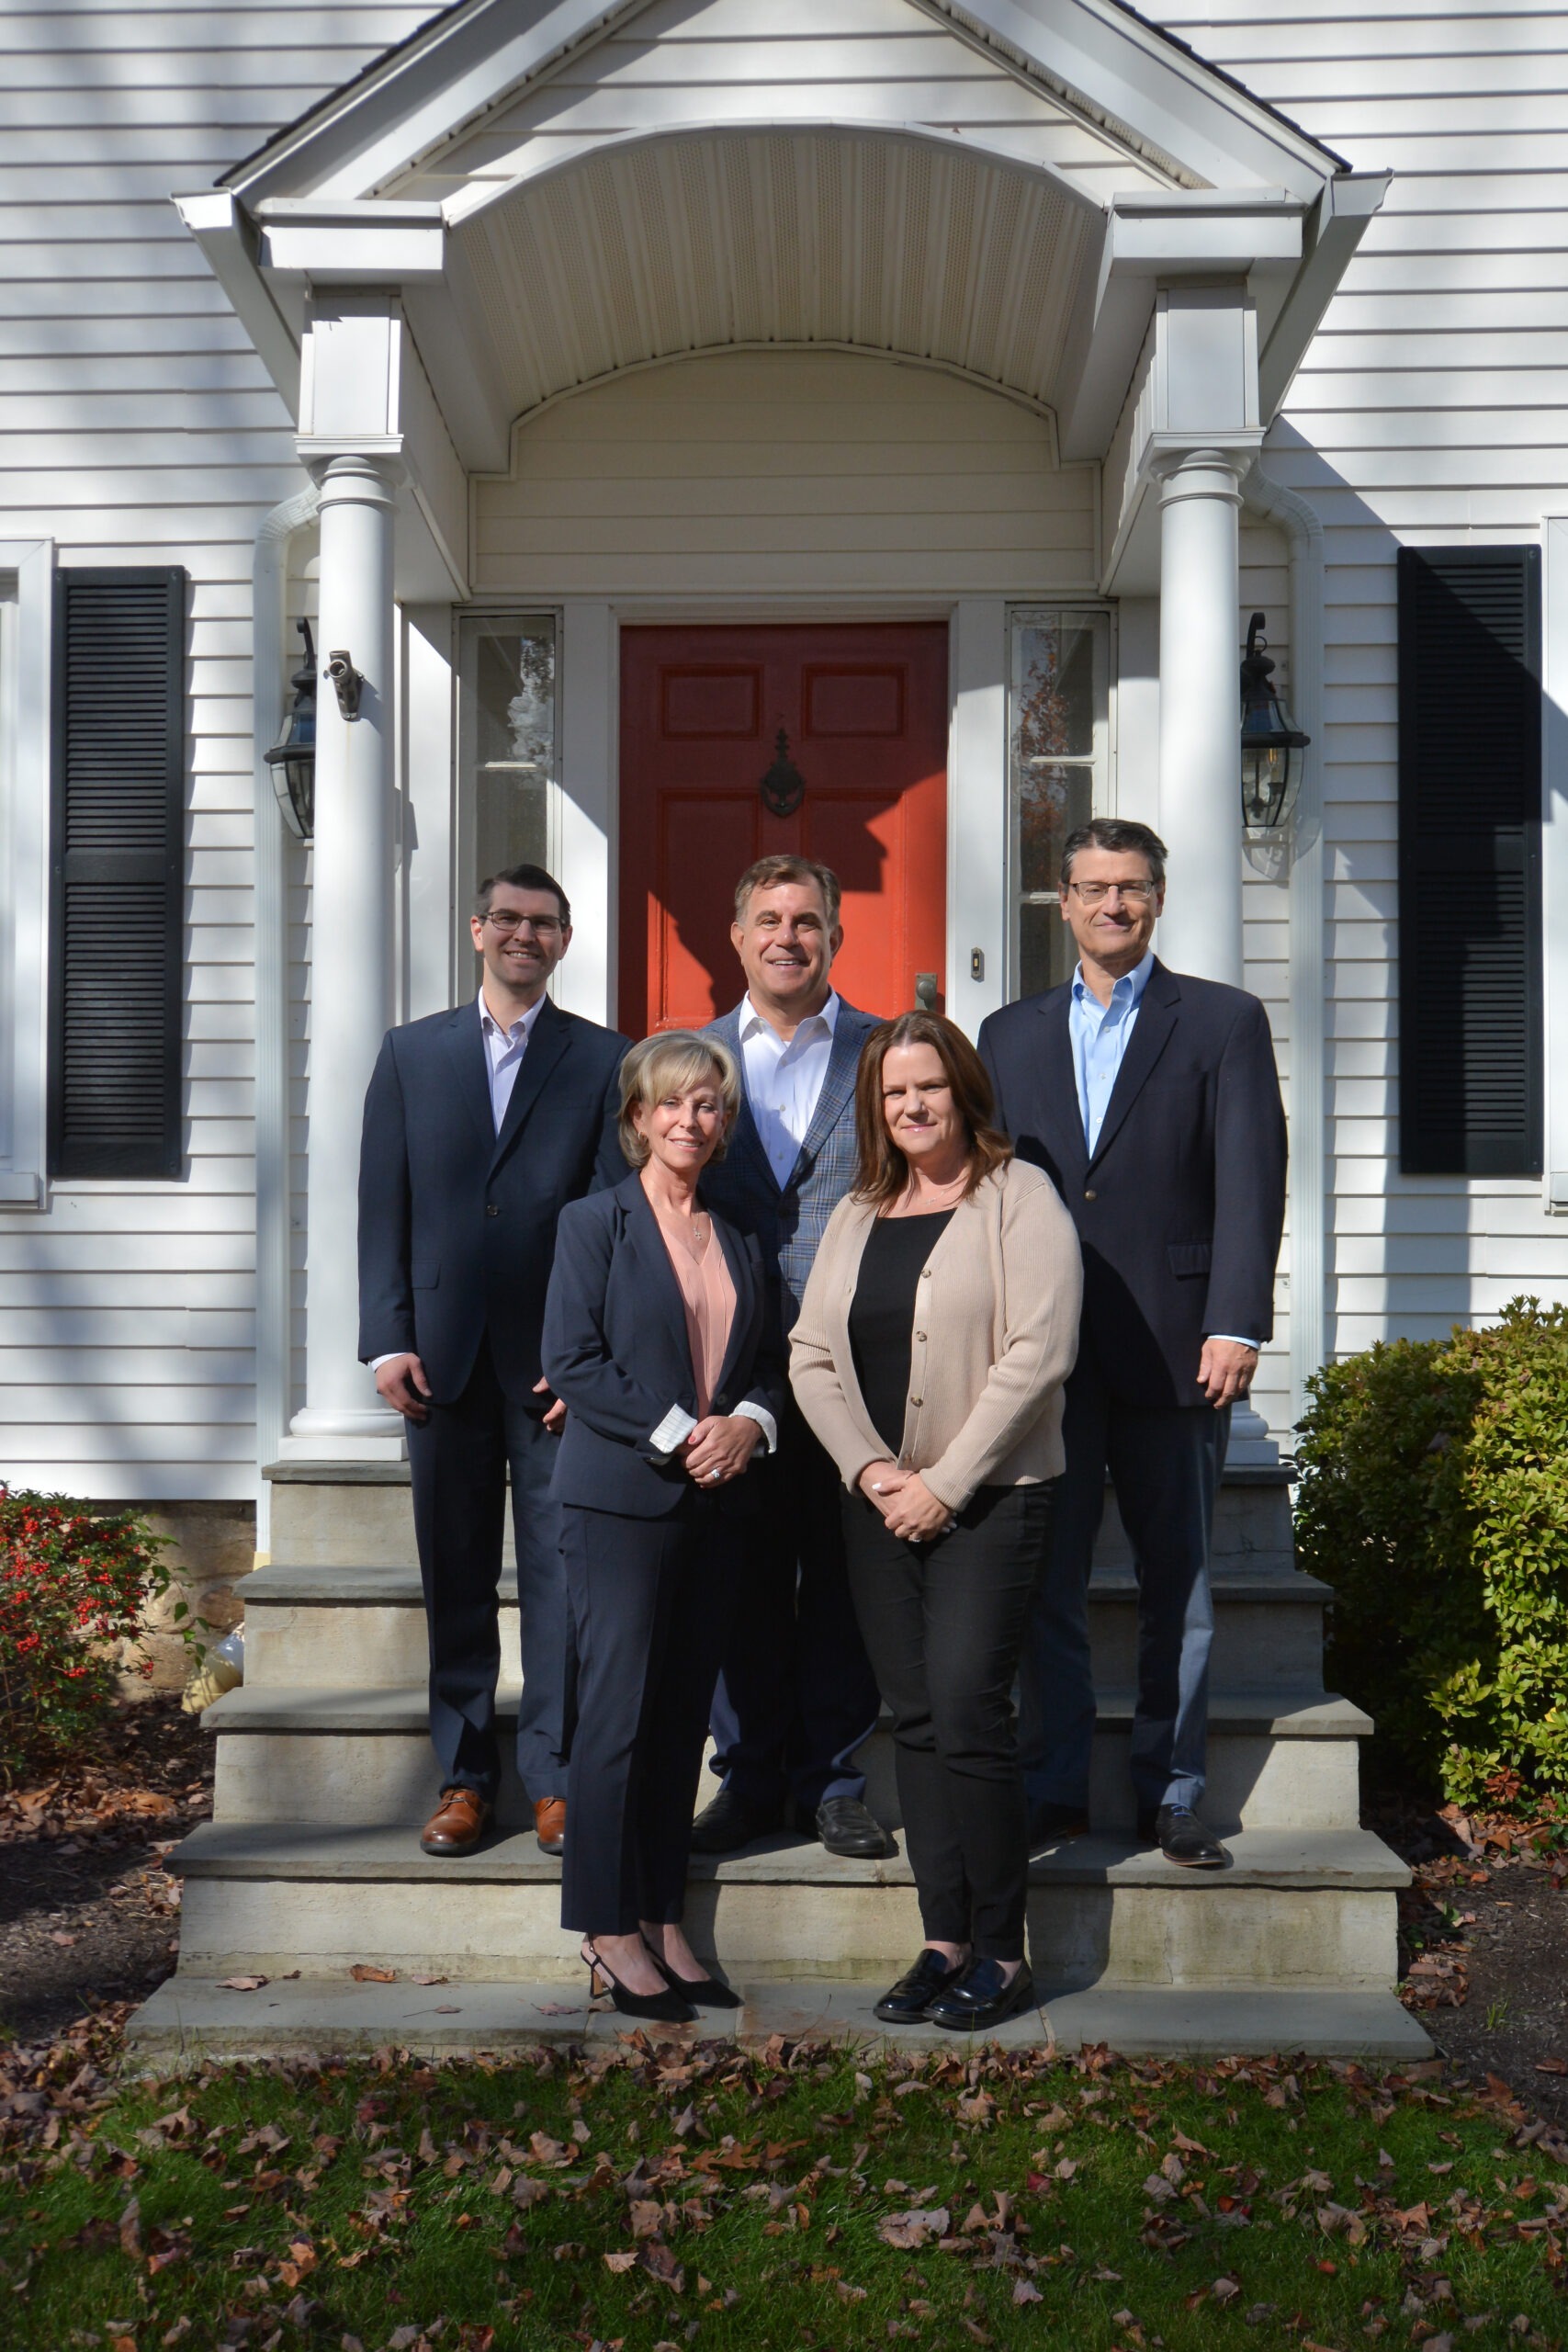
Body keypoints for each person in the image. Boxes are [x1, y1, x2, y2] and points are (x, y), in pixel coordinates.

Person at [977, 818, 1287, 1870]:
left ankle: (1175, 1791)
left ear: (1158, 899)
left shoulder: (1222, 1020)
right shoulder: (1007, 1034)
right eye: (1094, 887)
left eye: (1133, 887)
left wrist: (1237, 1317)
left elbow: (1252, 1176)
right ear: (1059, 901)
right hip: (1044, 1358)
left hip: (1175, 1344)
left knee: (1178, 1583)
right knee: (1046, 1585)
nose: (1114, 904)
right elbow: (984, 1196)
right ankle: (1054, 1785)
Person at [790, 1012, 1081, 2031]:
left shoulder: (1020, 1197)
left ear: (963, 1090)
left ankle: (1003, 1951)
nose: (912, 1106)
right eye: (893, 1093)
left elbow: (1037, 1357)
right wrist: (870, 1467)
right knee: (910, 1717)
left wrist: (942, 1484)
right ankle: (943, 1936)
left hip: (992, 1501)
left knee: (967, 1709)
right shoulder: (859, 1211)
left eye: (930, 1088)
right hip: (876, 1502)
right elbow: (810, 1355)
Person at [358, 864, 628, 1860]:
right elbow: (381, 1204)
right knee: (458, 1579)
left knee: (564, 1583)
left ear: (565, 940)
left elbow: (614, 1220)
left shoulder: (603, 1060)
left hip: (556, 1376)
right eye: (507, 919)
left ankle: (554, 1782)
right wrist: (386, 1337)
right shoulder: (411, 1053)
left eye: (543, 923)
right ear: (477, 929)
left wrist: (587, 1354)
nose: (524, 935)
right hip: (439, 1368)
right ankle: (466, 1779)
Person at [541, 1032, 786, 2021]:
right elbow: (575, 1359)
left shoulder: (740, 1238)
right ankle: (605, 1925)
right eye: (674, 1104)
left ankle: (660, 1911)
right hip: (619, 1504)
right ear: (638, 1118)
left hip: (717, 1506)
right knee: (616, 1720)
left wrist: (751, 1425)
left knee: (681, 1718)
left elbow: (766, 1365)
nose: (693, 1120)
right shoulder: (592, 1223)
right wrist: (687, 1432)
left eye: (711, 1106)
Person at [694, 854, 891, 1862]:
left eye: (806, 920)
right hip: (721, 1372)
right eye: (767, 918)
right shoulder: (682, 1062)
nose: (787, 936)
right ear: (736, 936)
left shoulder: (888, 1051)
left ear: (833, 937)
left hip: (853, 1364)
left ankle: (835, 1778)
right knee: (739, 1579)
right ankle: (750, 1772)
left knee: (845, 1579)